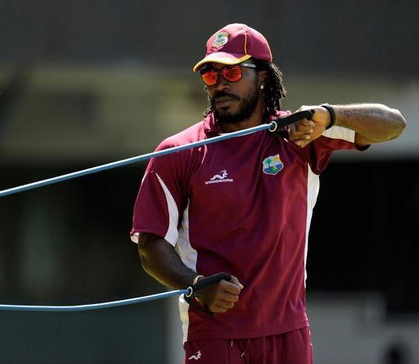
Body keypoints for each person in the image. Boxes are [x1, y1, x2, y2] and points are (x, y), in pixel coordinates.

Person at [130, 23, 406, 363]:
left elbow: (393, 125)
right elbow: (150, 244)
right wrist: (196, 285)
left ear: (262, 76)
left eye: (231, 72)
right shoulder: (179, 151)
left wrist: (329, 115)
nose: (220, 85)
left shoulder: (303, 133)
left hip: (287, 331)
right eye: (211, 76)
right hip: (215, 332)